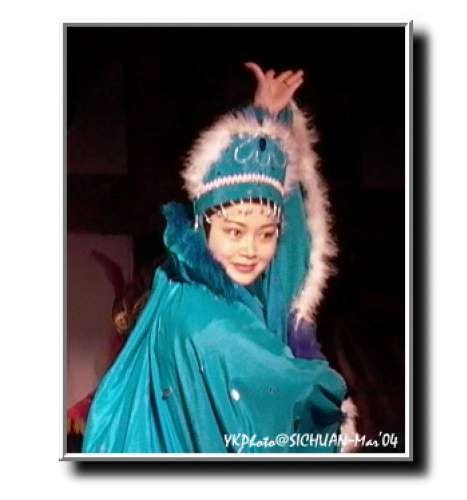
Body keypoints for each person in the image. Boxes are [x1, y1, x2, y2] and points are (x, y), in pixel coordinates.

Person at [82, 62, 357, 454]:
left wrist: (267, 120)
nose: (250, 249)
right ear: (203, 227)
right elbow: (286, 398)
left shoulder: (198, 287)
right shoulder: (202, 318)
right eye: (235, 231)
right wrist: (331, 413)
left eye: (266, 234)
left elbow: (290, 257)